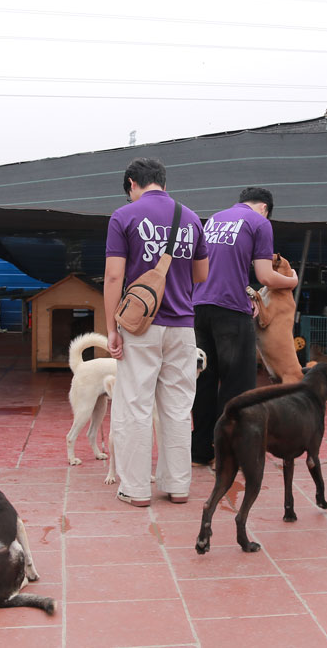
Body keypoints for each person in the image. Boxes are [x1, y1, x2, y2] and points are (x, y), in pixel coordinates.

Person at [103, 157, 209, 507]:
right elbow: (201, 275)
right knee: (178, 407)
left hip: (140, 326)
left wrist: (111, 330)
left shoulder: (124, 216)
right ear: (164, 181)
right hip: (183, 327)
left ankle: (135, 489)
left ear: (132, 183)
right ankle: (177, 486)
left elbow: (115, 277)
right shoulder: (192, 218)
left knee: (135, 406)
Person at [189, 187, 298, 466]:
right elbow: (265, 276)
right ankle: (230, 451)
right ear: (265, 208)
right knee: (237, 386)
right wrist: (291, 281)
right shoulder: (260, 223)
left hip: (199, 308)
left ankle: (201, 451)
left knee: (204, 381)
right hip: (230, 312)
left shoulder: (212, 219)